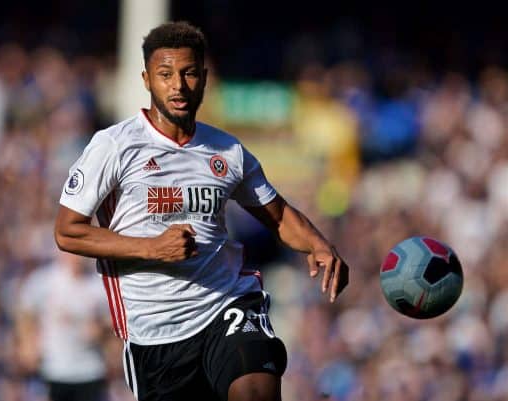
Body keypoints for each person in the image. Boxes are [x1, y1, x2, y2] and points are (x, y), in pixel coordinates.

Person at [54, 21, 349, 401]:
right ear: (146, 79)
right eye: (165, 75)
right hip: (156, 335)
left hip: (226, 303)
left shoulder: (228, 151)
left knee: (256, 386)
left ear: (204, 78)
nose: (178, 85)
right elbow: (67, 231)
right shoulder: (114, 146)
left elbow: (276, 215)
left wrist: (317, 244)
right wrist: (151, 247)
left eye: (189, 73)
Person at [16, 251, 110, 401]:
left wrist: (101, 330)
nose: (77, 258)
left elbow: (111, 322)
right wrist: (27, 343)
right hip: (54, 367)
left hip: (89, 369)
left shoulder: (98, 284)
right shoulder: (44, 280)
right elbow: (26, 312)